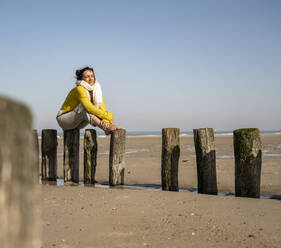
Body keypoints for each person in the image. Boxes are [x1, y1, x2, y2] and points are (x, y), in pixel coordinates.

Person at [56, 66, 122, 135]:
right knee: (84, 108)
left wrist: (105, 120)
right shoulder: (80, 89)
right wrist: (109, 117)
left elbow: (103, 109)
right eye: (87, 77)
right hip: (64, 119)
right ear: (82, 79)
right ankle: (106, 128)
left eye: (92, 76)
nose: (90, 79)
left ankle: (106, 127)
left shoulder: (97, 90)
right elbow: (89, 108)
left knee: (99, 112)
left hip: (79, 122)